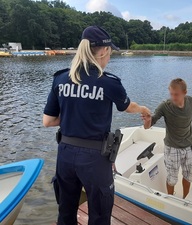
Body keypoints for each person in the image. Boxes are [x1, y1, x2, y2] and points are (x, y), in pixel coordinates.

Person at [43, 25, 150, 225]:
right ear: (102, 51)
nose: (109, 59)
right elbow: (127, 106)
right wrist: (144, 109)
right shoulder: (108, 82)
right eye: (109, 54)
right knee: (99, 215)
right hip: (95, 159)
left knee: (65, 213)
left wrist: (72, 115)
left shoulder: (60, 78)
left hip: (65, 155)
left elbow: (47, 121)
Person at [142, 78, 192, 199]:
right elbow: (147, 126)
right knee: (172, 179)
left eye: (176, 94)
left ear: (185, 93)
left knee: (189, 176)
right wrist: (147, 120)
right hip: (172, 148)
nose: (173, 97)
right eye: (171, 94)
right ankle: (170, 199)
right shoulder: (165, 106)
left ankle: (185, 199)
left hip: (188, 146)